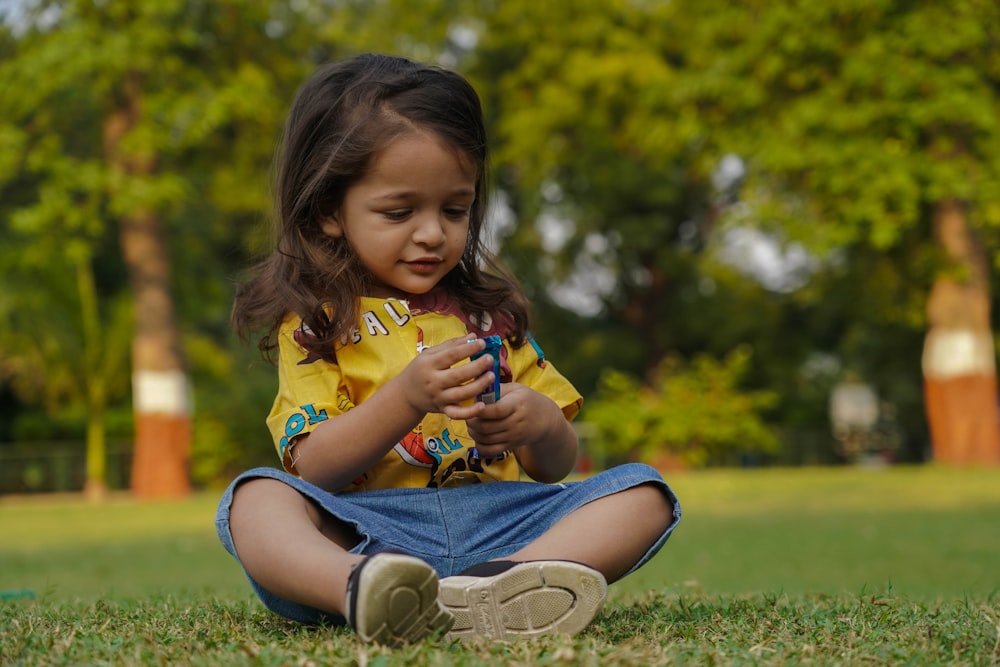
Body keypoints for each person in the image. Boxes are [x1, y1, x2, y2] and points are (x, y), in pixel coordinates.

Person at [216, 53, 682, 646]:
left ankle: (509, 585)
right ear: (330, 210)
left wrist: (535, 421)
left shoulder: (492, 315)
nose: (433, 233)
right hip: (371, 530)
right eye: (399, 211)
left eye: (454, 210)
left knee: (646, 493)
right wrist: (406, 398)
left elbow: (554, 465)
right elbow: (313, 466)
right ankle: (363, 588)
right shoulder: (316, 323)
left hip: (506, 523)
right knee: (255, 498)